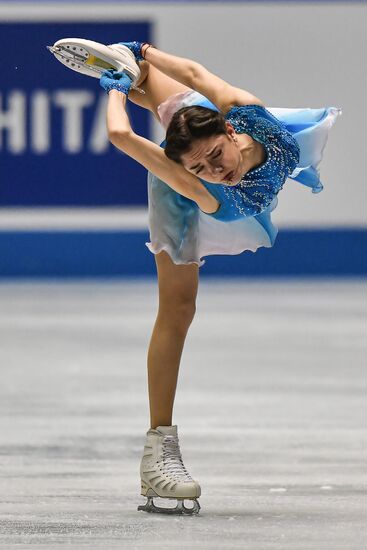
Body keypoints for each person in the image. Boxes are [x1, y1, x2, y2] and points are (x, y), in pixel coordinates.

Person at [58, 39, 341, 515]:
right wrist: (113, 91)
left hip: (195, 117)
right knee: (179, 308)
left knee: (163, 85)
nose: (217, 171)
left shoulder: (254, 118)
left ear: (232, 131)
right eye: (201, 167)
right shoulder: (203, 187)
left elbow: (193, 71)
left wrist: (144, 50)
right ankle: (158, 452)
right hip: (181, 195)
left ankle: (133, 66)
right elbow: (122, 138)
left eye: (215, 156)